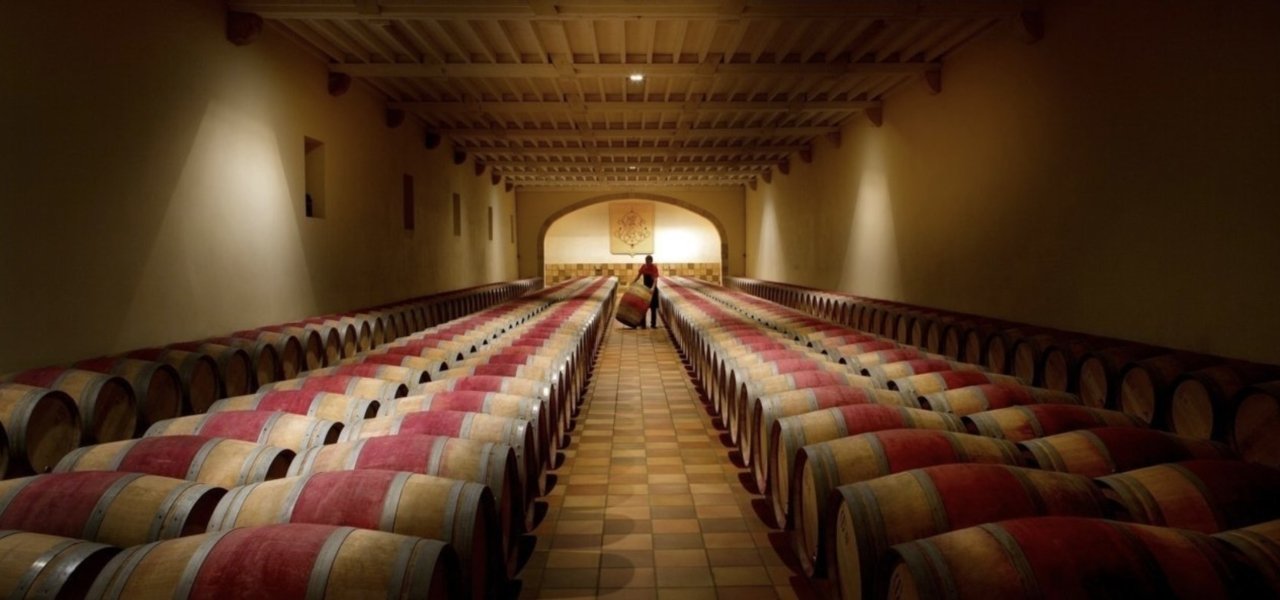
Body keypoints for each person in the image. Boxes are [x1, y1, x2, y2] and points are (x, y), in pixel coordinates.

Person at [631, 255, 660, 329]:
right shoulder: (643, 266)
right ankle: (643, 324)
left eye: (648, 261)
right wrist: (633, 282)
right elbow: (638, 275)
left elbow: (655, 279)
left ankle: (653, 324)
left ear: (651, 261)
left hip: (652, 289)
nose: (647, 263)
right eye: (646, 261)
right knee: (643, 307)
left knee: (653, 307)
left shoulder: (654, 267)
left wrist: (653, 288)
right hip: (645, 288)